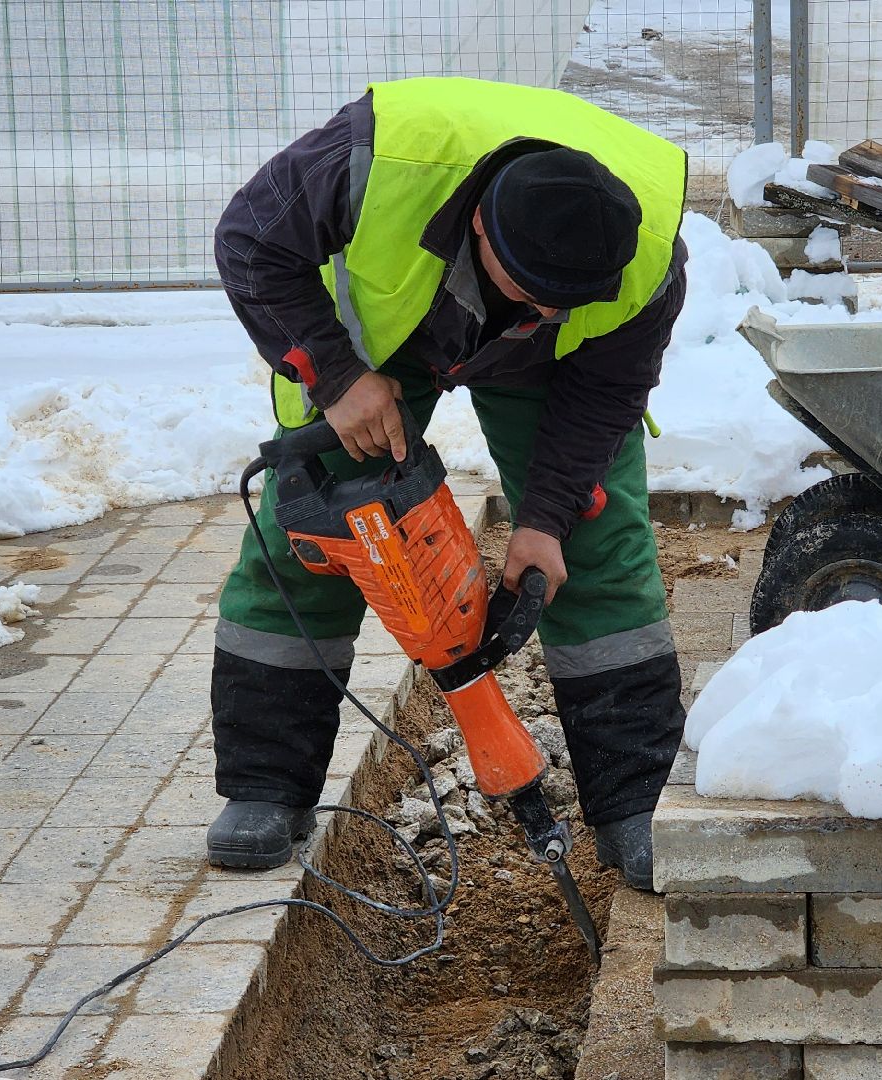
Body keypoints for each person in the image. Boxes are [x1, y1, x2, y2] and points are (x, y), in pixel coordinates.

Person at [206, 76, 690, 890]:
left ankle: (635, 802)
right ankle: (264, 789)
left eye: (566, 302)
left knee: (598, 547)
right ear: (481, 229)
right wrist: (333, 375)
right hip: (376, 343)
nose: (545, 310)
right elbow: (250, 240)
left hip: (557, 377)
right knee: (313, 534)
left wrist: (547, 519)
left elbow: (607, 389)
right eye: (532, 295)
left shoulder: (643, 260)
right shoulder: (374, 157)